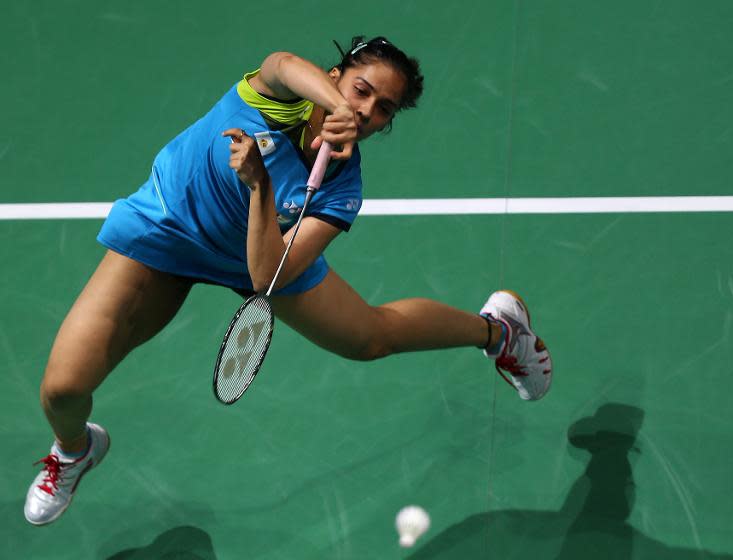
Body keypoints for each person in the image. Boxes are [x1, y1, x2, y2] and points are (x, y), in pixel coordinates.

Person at [24, 36, 553, 526]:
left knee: (370, 338)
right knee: (64, 389)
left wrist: (259, 186)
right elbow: (281, 64)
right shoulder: (280, 99)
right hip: (167, 229)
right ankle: (74, 450)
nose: (366, 111)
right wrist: (335, 108)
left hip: (255, 256)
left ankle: (500, 332)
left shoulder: (342, 186)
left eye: (383, 108)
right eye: (359, 91)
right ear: (334, 76)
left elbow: (266, 276)